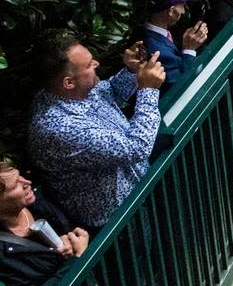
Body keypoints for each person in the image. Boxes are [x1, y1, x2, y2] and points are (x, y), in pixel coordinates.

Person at [27, 37, 166, 230]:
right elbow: (137, 147)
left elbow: (110, 92)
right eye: (88, 65)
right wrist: (148, 90)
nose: (97, 63)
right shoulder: (58, 127)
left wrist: (131, 71)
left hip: (139, 199)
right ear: (68, 82)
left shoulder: (75, 91)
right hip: (118, 225)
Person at [0, 161, 90, 286]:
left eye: (20, 176)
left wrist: (72, 239)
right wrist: (78, 259)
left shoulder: (38, 199)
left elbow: (74, 224)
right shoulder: (3, 254)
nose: (27, 183)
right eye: (15, 185)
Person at [141, 0, 209, 93]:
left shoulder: (157, 32)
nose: (183, 11)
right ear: (171, 11)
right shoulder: (158, 50)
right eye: (182, 6)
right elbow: (179, 87)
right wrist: (189, 50)